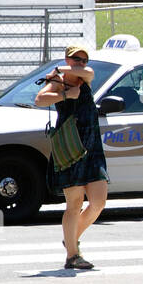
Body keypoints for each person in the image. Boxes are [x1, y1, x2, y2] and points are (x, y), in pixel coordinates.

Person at [35, 44, 109, 271]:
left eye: (83, 59)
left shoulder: (85, 76)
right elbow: (39, 100)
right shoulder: (58, 83)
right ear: (68, 59)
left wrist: (59, 69)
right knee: (74, 204)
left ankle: (71, 239)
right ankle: (72, 256)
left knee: (98, 202)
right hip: (70, 147)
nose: (80, 62)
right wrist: (65, 93)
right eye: (75, 58)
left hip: (92, 146)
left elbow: (87, 73)